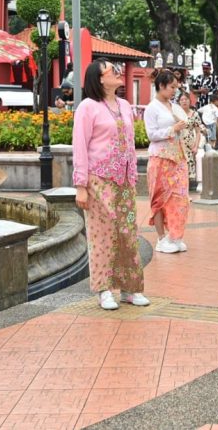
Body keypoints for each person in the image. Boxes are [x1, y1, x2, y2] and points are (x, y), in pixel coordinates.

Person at [72, 59, 149, 311]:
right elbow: (80, 146)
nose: (117, 72)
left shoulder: (126, 106)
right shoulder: (88, 107)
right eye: (111, 70)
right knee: (102, 235)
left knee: (127, 234)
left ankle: (130, 288)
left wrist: (133, 174)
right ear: (99, 78)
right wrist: (80, 184)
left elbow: (130, 142)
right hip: (98, 180)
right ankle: (103, 289)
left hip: (124, 180)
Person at [144, 69, 190, 254]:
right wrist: (172, 129)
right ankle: (161, 238)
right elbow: (151, 134)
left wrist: (179, 127)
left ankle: (175, 234)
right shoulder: (151, 108)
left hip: (177, 157)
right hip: (160, 158)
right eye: (171, 87)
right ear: (161, 86)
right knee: (159, 198)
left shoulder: (173, 106)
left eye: (176, 88)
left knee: (179, 197)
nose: (174, 91)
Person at [178, 93, 204, 183]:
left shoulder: (194, 114)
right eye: (182, 100)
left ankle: (186, 193)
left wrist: (196, 146)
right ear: (179, 102)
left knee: (188, 166)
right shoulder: (176, 114)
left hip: (189, 144)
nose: (184, 101)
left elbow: (198, 132)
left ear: (190, 101)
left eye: (186, 99)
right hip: (178, 143)